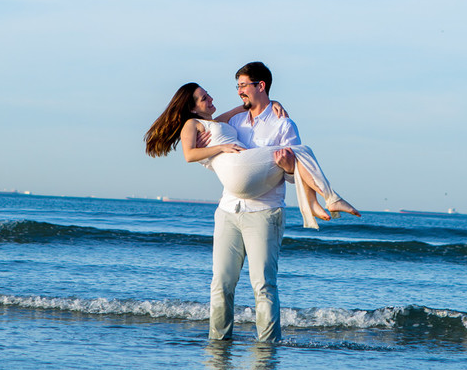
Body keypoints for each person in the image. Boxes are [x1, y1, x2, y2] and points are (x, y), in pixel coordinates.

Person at [143, 63, 357, 342]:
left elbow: (292, 175)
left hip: (265, 211)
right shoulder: (232, 122)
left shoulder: (283, 124)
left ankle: (267, 348)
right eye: (238, 86)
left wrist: (290, 165)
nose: (239, 91)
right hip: (229, 210)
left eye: (243, 85)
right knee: (221, 283)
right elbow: (200, 142)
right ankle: (218, 344)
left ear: (261, 86)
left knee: (264, 285)